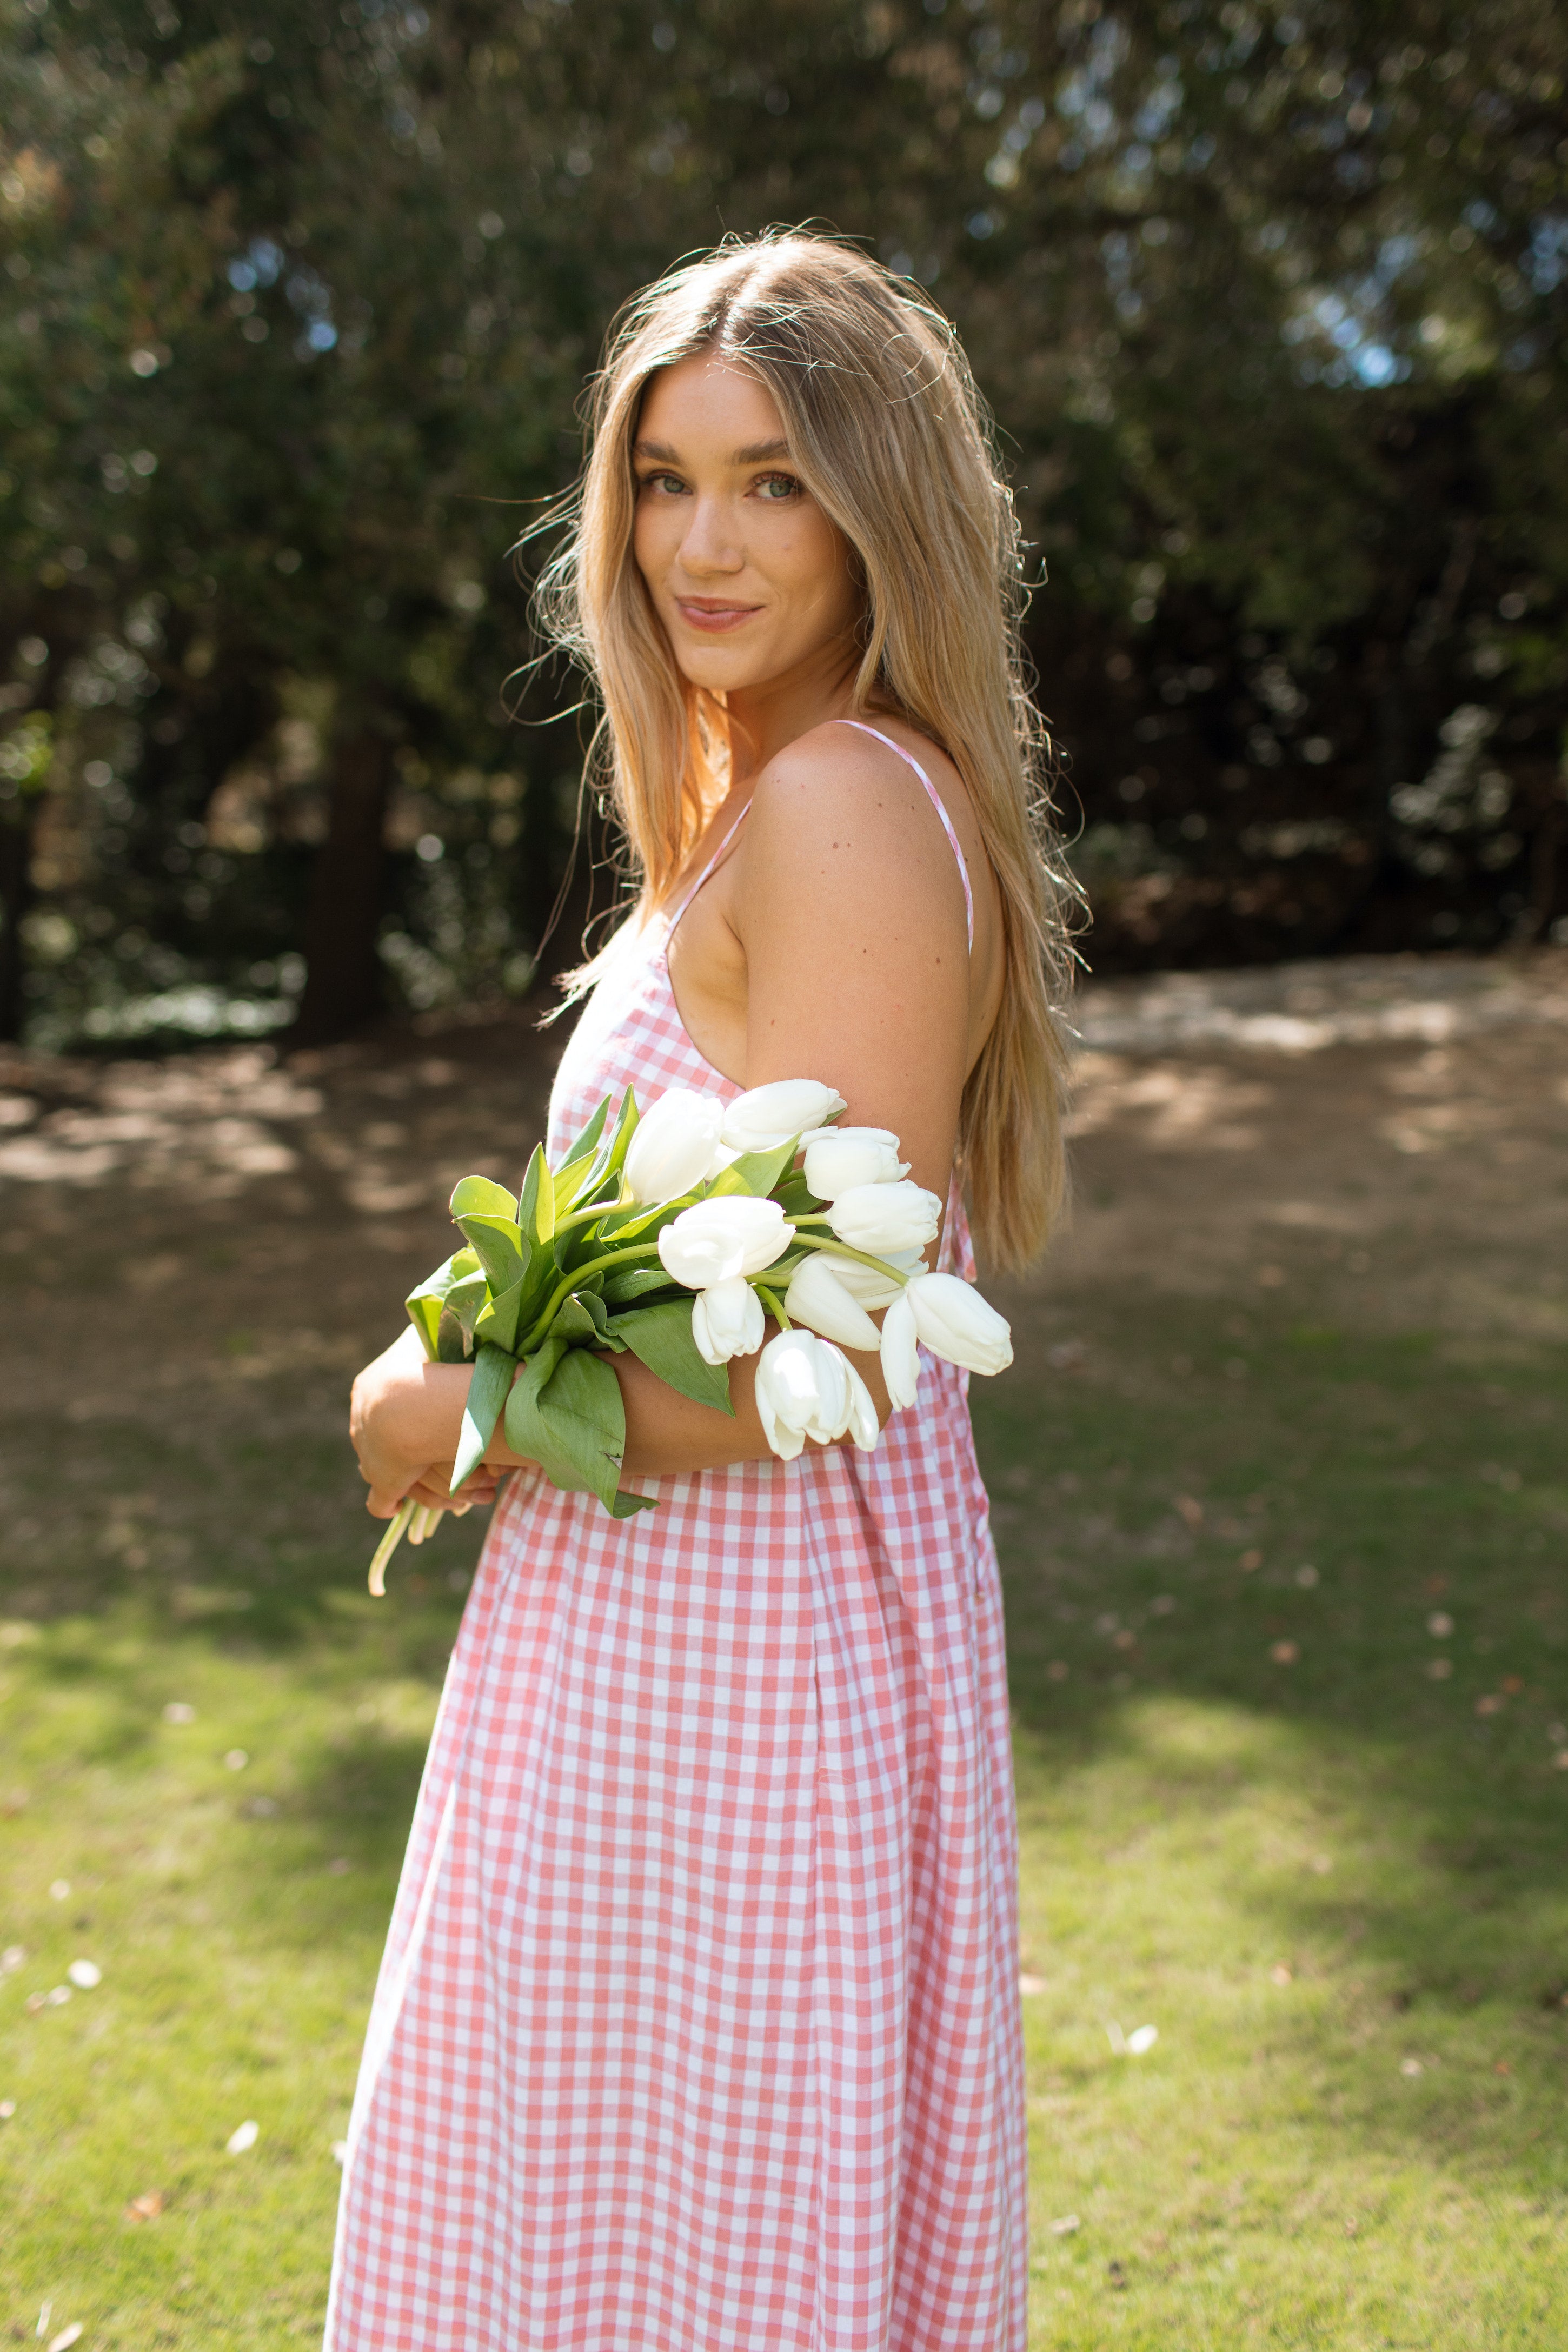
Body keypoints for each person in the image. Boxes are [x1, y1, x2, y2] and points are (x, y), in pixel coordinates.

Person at [328, 232, 1075, 2352]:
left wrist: (453, 1416)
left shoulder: (837, 806)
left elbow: (824, 1353)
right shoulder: (782, 786)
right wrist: (476, 1323)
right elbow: (692, 1255)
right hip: (678, 1639)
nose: (700, 540)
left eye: (771, 479)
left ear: (879, 505)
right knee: (614, 2233)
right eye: (663, 478)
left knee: (664, 2263)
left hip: (733, 1667)